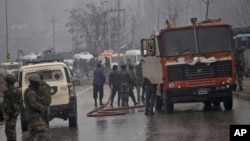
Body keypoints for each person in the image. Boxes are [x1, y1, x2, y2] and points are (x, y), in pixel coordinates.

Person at [23, 73, 51, 141]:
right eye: (38, 82)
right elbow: (34, 105)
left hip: (36, 116)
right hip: (34, 117)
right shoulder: (31, 92)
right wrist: (43, 108)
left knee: (32, 134)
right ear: (34, 83)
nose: (39, 84)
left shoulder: (36, 91)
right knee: (43, 133)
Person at [2, 74, 21, 141]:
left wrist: (6, 114)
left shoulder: (7, 93)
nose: (4, 83)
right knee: (12, 131)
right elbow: (20, 102)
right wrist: (17, 111)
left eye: (5, 81)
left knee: (10, 133)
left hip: (9, 115)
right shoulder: (18, 91)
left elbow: (5, 105)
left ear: (8, 82)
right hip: (15, 114)